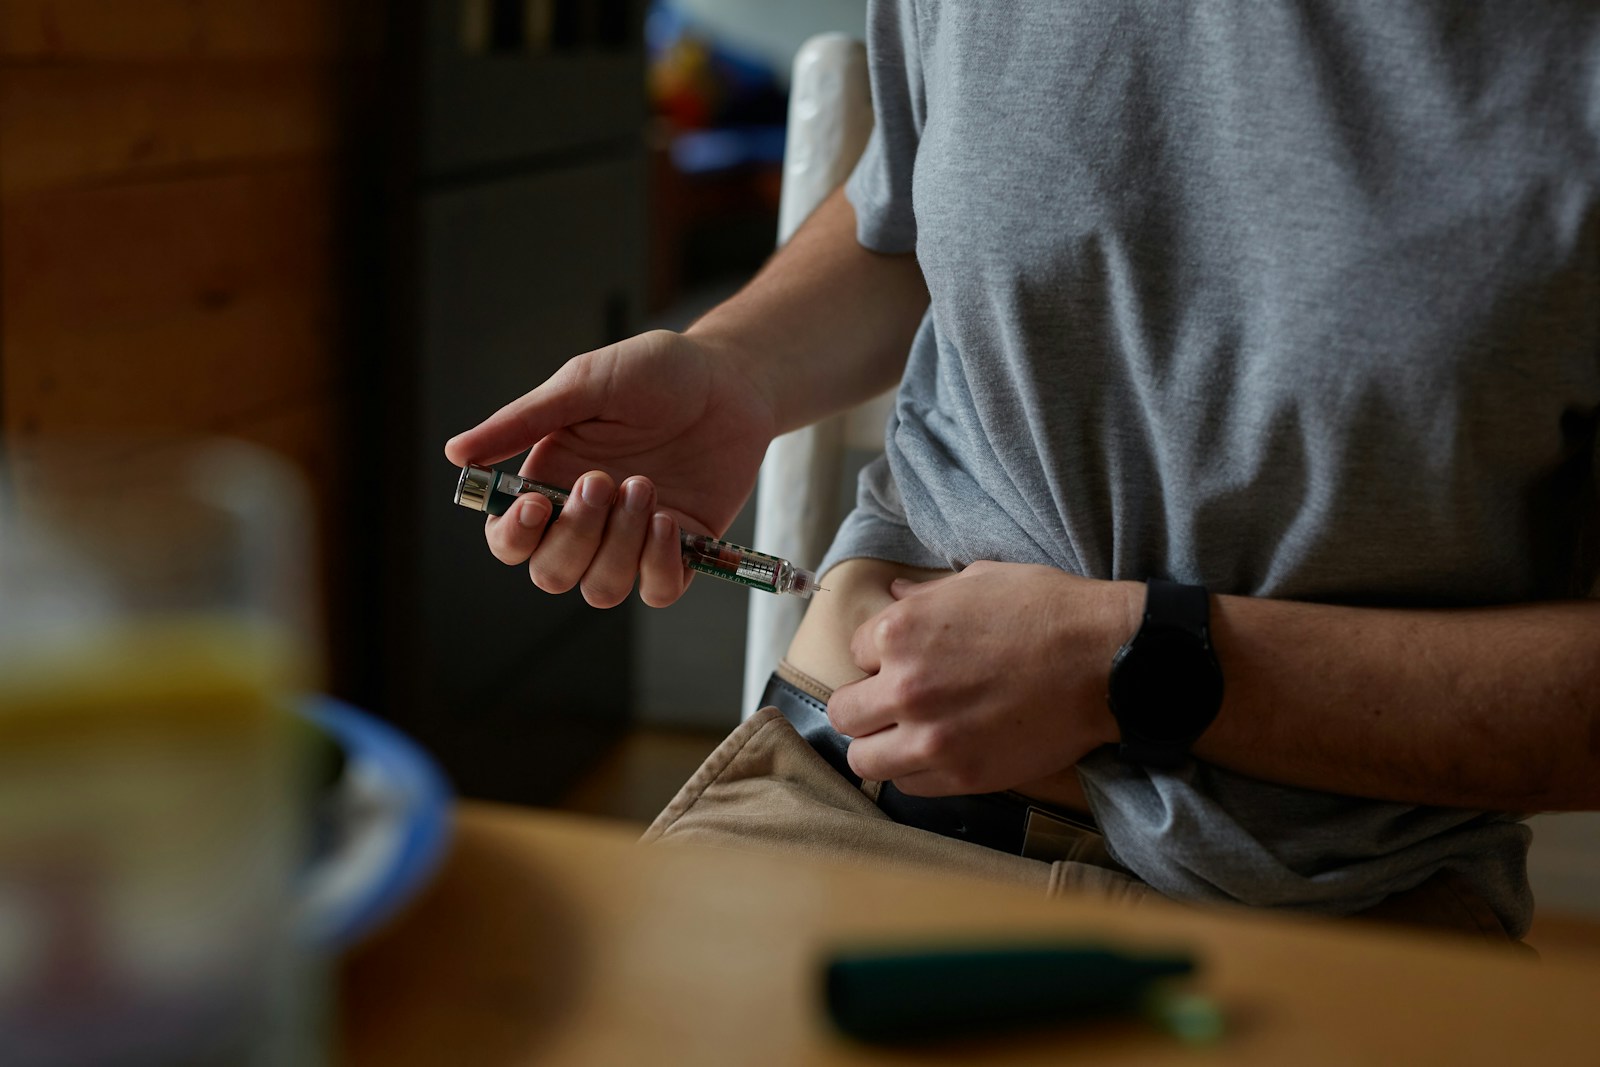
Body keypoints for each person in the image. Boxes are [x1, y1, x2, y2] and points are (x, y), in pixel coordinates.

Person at [446, 1, 1600, 942]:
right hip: (832, 804)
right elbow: (903, 210)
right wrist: (733, 368)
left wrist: (1135, 664)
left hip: (1330, 912)